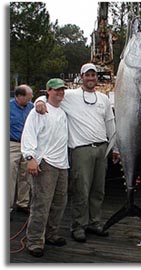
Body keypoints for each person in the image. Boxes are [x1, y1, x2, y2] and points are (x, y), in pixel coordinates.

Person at [35, 63, 119, 243]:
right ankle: (78, 226)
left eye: (93, 75)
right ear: (81, 77)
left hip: (102, 148)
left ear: (97, 78)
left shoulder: (103, 98)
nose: (90, 78)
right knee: (81, 190)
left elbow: (110, 123)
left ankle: (94, 222)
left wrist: (115, 147)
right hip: (81, 149)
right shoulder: (70, 96)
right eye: (87, 75)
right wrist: (39, 102)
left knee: (98, 190)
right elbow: (47, 96)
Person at [21, 78, 69, 257]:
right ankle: (34, 240)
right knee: (41, 204)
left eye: (62, 90)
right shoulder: (38, 111)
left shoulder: (63, 112)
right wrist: (30, 158)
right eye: (56, 90)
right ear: (48, 91)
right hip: (45, 163)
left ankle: (51, 234)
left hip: (63, 163)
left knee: (59, 203)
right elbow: (29, 135)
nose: (60, 93)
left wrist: (39, 99)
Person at [10, 84, 33, 216]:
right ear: (19, 96)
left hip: (27, 144)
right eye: (28, 97)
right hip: (12, 143)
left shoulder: (31, 107)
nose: (30, 100)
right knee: (10, 175)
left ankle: (23, 202)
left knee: (26, 174)